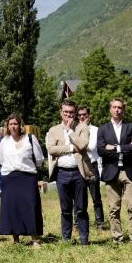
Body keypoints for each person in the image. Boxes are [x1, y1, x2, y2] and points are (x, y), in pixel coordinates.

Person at [45, 100, 93, 245]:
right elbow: (51, 149)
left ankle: (84, 240)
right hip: (62, 173)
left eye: (71, 112)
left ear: (75, 113)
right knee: (65, 209)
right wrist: (72, 148)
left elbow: (83, 146)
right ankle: (66, 239)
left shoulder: (82, 128)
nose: (68, 115)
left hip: (79, 173)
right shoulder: (53, 130)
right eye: (66, 112)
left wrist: (70, 132)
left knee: (81, 209)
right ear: (61, 112)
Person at [97, 98, 132, 243]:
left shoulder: (131, 127)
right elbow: (101, 151)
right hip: (111, 171)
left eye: (120, 108)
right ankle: (117, 238)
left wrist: (116, 148)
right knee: (114, 208)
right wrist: (127, 146)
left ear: (124, 110)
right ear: (110, 109)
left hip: (130, 170)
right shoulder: (103, 129)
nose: (117, 110)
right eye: (114, 107)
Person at [0, 114, 45, 246]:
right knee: (13, 208)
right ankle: (16, 239)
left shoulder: (30, 139)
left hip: (27, 178)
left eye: (15, 124)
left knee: (30, 207)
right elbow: (2, 160)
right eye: (10, 124)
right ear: (7, 126)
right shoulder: (4, 142)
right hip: (10, 178)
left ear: (20, 125)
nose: (13, 126)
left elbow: (39, 159)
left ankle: (35, 239)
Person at [78, 106, 105, 230]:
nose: (82, 117)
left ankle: (100, 223)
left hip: (92, 166)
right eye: (79, 115)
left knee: (96, 197)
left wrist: (79, 144)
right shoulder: (75, 129)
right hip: (79, 166)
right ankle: (77, 224)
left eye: (84, 114)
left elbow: (92, 146)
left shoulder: (95, 130)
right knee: (78, 198)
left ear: (89, 115)